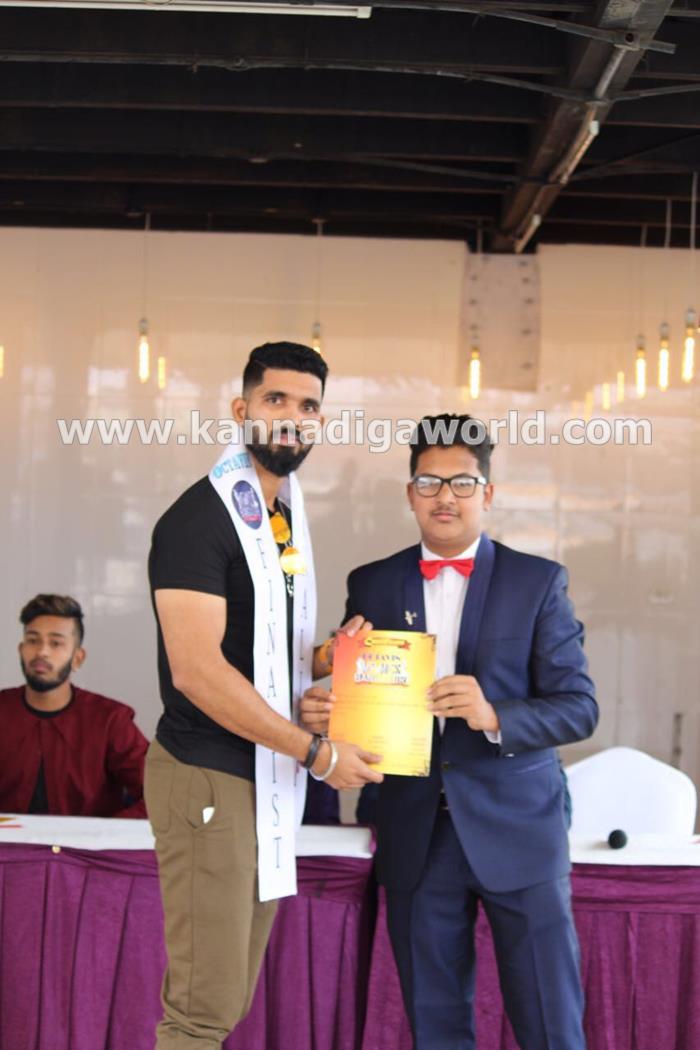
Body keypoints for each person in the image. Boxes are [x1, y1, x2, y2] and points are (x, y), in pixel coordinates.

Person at [301, 413, 598, 1050]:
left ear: (487, 493)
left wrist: (495, 714)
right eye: (429, 482)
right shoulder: (372, 583)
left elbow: (579, 708)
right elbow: (357, 686)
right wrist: (330, 715)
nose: (445, 497)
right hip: (416, 829)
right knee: (434, 1025)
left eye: (462, 483)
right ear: (410, 493)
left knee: (550, 1023)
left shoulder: (538, 582)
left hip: (519, 827)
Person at [145, 341, 382, 1050]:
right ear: (241, 409)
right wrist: (317, 753)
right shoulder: (201, 519)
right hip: (209, 772)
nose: (291, 417)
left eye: (307, 406)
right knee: (201, 1013)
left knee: (228, 999)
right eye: (275, 399)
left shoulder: (278, 517)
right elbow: (197, 671)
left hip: (261, 775)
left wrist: (333, 658)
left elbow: (262, 652)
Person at [0, 593, 148, 817]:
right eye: (33, 640)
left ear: (77, 658)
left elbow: (162, 795)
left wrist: (107, 831)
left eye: (56, 643)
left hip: (89, 840)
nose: (42, 652)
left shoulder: (110, 720)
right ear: (21, 650)